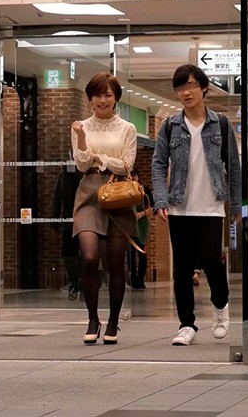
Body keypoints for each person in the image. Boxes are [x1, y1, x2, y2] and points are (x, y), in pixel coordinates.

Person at [151, 64, 241, 347]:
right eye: (180, 88)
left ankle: (220, 306)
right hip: (179, 206)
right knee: (182, 269)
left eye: (190, 85)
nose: (185, 92)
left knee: (212, 261)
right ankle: (186, 325)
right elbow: (158, 164)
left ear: (203, 88)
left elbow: (234, 166)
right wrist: (160, 198)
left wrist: (237, 205)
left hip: (211, 206)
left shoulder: (221, 124)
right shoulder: (170, 126)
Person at [71, 72, 137, 345]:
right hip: (89, 194)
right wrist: (82, 139)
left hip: (118, 194)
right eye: (97, 95)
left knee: (115, 262)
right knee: (88, 257)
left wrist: (100, 158)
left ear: (116, 98)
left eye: (108, 94)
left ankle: (112, 322)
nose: (102, 100)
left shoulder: (127, 128)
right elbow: (81, 164)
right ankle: (92, 319)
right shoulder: (80, 127)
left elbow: (127, 164)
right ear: (90, 98)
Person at [50, 157, 82, 300]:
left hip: (74, 221)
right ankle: (78, 281)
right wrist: (55, 223)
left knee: (71, 252)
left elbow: (57, 200)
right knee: (74, 252)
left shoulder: (65, 176)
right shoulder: (79, 175)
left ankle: (75, 281)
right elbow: (57, 200)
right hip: (79, 221)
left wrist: (55, 223)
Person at [128, 169, 154, 290]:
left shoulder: (145, 191)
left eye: (135, 176)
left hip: (142, 224)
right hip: (130, 224)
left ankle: (140, 279)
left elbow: (151, 208)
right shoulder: (127, 190)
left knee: (142, 252)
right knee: (130, 253)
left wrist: (141, 214)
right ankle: (133, 279)